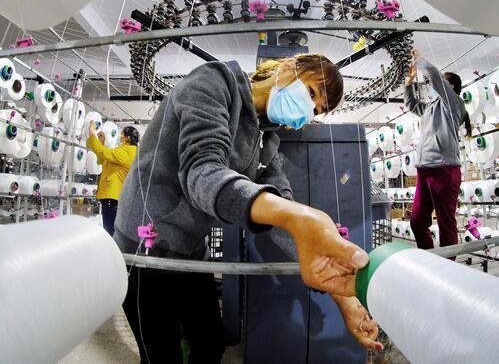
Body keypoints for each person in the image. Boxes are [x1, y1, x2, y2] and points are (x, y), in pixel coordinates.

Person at [115, 54, 381, 364]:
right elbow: (201, 172)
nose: (308, 111)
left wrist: (345, 298)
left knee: (210, 345)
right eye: (311, 93)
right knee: (161, 356)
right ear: (287, 68)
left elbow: (283, 211)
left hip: (190, 250)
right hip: (145, 250)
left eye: (316, 111)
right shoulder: (213, 82)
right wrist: (296, 217)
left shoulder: (266, 140)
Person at [405, 50, 471, 252]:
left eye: (441, 84)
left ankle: (447, 265)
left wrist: (418, 60)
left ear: (450, 88)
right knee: (417, 222)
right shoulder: (429, 108)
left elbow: (433, 73)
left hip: (444, 170)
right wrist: (408, 83)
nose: (433, 88)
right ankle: (429, 258)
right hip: (424, 169)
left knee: (446, 224)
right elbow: (411, 104)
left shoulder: (454, 104)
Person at [86, 124, 139, 236]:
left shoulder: (127, 151)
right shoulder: (128, 151)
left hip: (113, 197)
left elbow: (102, 152)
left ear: (128, 138)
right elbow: (104, 160)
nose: (120, 137)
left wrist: (92, 133)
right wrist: (101, 142)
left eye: (122, 135)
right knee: (112, 230)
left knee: (111, 232)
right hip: (115, 197)